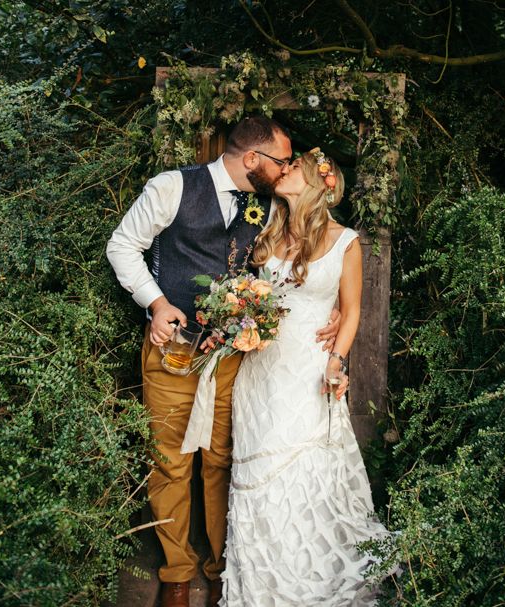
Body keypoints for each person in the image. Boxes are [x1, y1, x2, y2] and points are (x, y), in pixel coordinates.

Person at [106, 117, 339, 607]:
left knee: (222, 463)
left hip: (236, 359)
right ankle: (175, 573)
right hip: (174, 351)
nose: (285, 171)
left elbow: (309, 252)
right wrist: (155, 302)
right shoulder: (172, 187)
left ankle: (221, 568)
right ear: (252, 159)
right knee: (170, 462)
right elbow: (123, 245)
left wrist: (337, 302)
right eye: (279, 161)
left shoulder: (270, 202)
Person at [220, 148, 389, 606]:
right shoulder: (266, 232)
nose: (285, 170)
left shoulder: (345, 241)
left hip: (309, 369)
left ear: (319, 182)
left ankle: (312, 577)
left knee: (305, 466)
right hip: (260, 370)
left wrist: (337, 360)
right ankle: (265, 581)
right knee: (258, 468)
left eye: (293, 166)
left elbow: (352, 311)